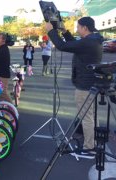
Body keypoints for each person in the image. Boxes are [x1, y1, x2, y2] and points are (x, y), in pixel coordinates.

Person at [46, 17, 104, 159]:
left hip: (84, 86)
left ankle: (89, 148)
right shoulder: (93, 40)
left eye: (78, 27)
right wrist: (65, 32)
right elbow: (74, 44)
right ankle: (93, 142)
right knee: (91, 116)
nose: (77, 29)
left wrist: (51, 31)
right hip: (91, 84)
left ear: (85, 28)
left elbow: (62, 46)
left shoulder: (88, 42)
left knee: (86, 117)